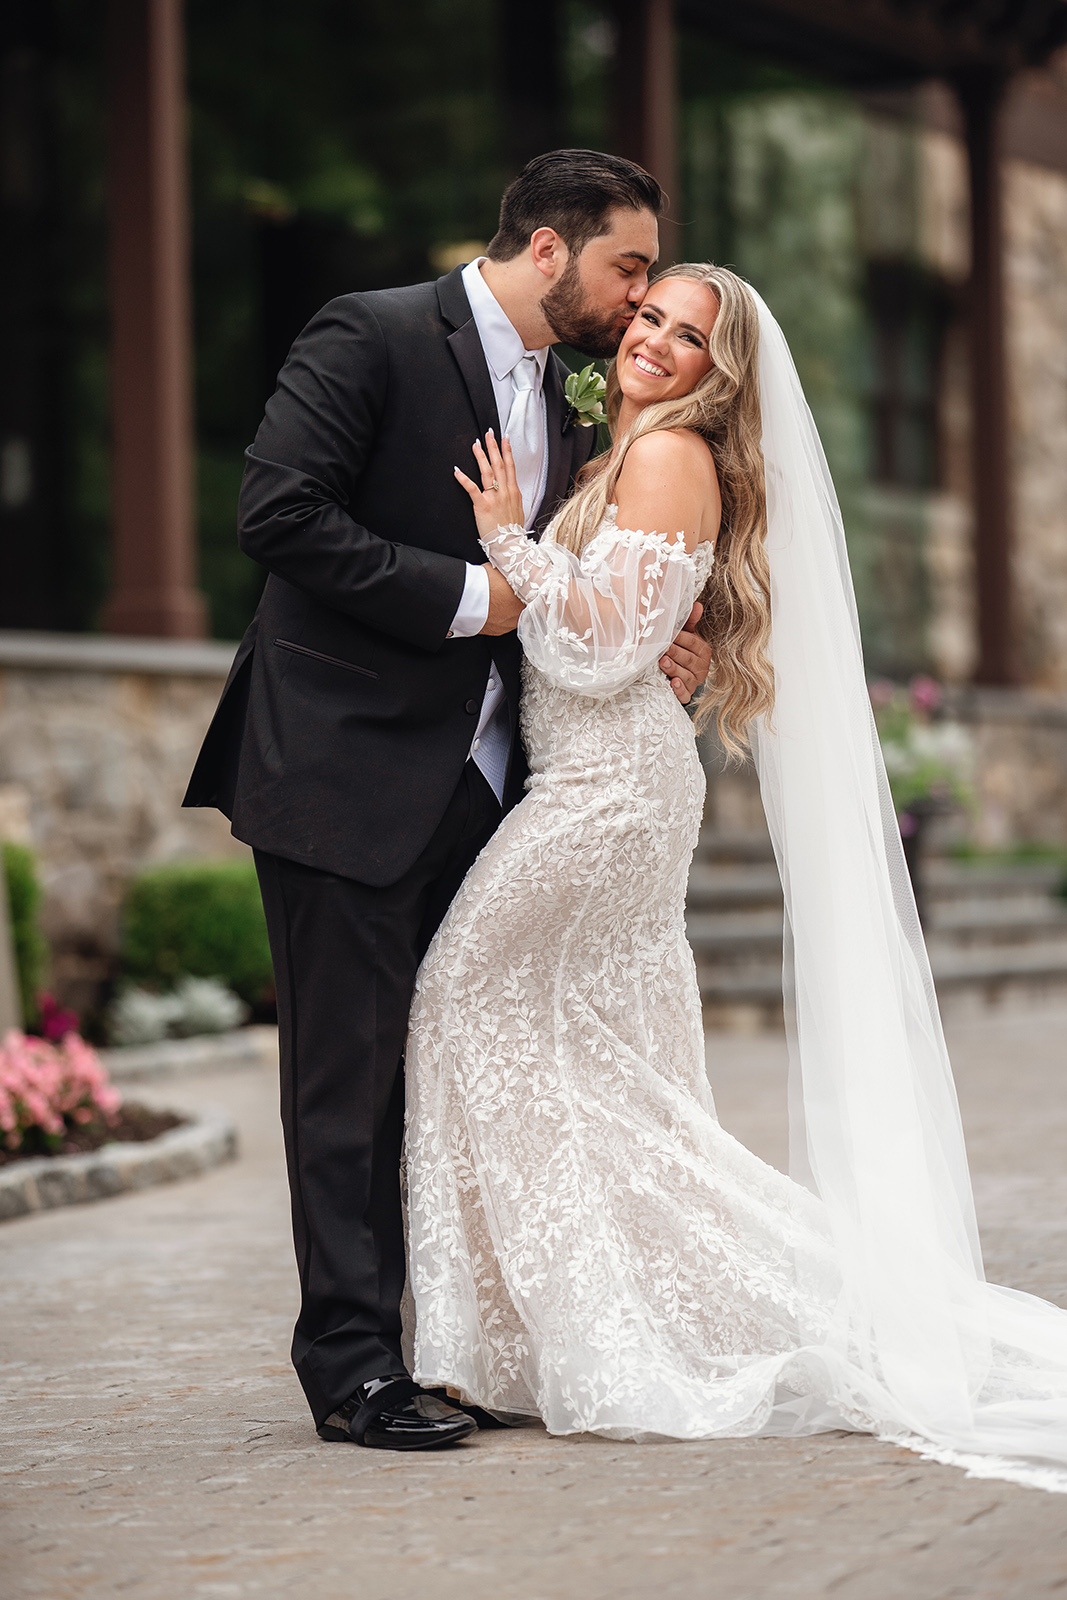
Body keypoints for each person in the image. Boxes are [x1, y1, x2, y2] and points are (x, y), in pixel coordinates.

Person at [406, 263, 1067, 1492]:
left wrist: (509, 545)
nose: (653, 340)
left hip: (607, 793)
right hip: (597, 780)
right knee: (589, 1057)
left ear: (724, 371)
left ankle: (509, 1336)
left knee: (463, 992)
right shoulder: (633, 448)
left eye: (685, 333)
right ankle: (531, 1330)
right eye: (648, 315)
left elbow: (599, 652)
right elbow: (635, 626)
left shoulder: (667, 460)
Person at [182, 150, 713, 1452]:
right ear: (547, 251)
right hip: (342, 767)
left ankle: (451, 1341)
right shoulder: (368, 335)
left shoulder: (578, 401)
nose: (636, 299)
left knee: (448, 1071)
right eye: (625, 269)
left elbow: (590, 584)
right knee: (343, 1082)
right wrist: (485, 598)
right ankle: (353, 1368)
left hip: (492, 790)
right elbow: (279, 514)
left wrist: (649, 641)